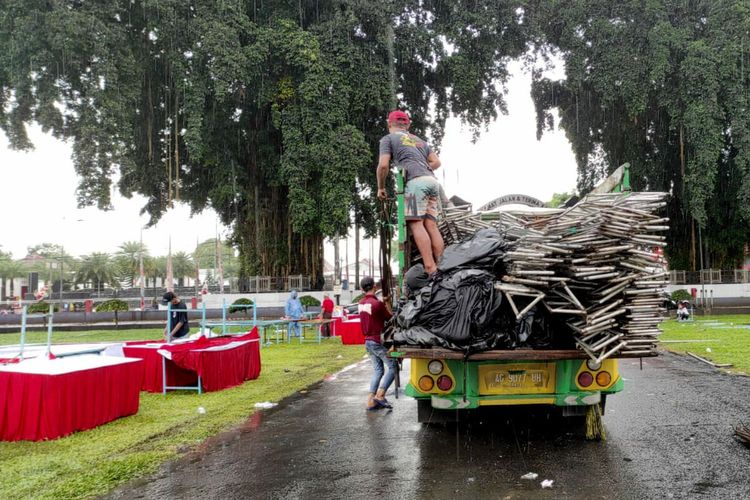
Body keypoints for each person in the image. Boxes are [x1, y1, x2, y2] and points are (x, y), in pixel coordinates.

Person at [377, 109, 445, 275]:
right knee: (431, 225)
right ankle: (443, 265)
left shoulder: (388, 139)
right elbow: (436, 162)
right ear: (408, 124)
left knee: (416, 223)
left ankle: (430, 267)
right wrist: (424, 168)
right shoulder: (419, 140)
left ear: (389, 123)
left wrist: (381, 187)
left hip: (415, 184)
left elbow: (384, 165)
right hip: (432, 182)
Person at [358, 276, 396, 411]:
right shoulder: (377, 304)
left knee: (378, 370)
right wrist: (387, 303)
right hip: (377, 341)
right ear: (375, 286)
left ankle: (370, 401)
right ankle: (380, 395)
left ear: (362, 289)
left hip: (367, 341)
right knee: (393, 367)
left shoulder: (361, 303)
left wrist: (382, 302)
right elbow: (390, 317)